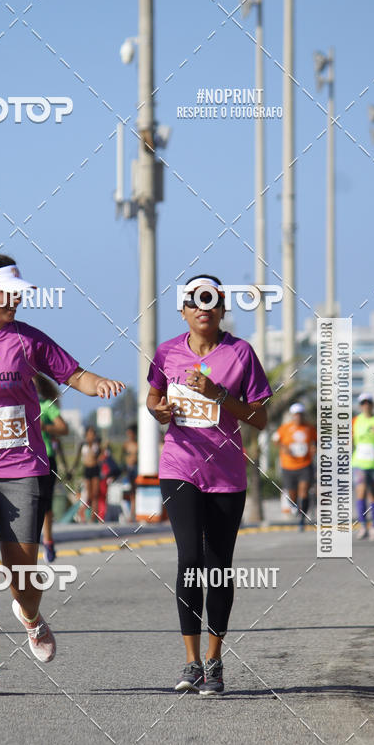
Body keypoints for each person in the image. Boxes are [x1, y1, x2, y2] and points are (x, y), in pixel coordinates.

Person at [0, 254, 124, 696]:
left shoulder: (27, 339)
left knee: (24, 579)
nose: (16, 300)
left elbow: (73, 374)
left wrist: (101, 384)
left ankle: (31, 617)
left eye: (20, 294)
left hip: (22, 469)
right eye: (8, 293)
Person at [146, 274, 272, 697]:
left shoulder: (240, 354)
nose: (203, 308)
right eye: (194, 301)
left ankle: (215, 661)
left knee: (218, 564)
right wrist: (159, 411)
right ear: (182, 310)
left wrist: (219, 394)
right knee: (189, 557)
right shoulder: (166, 352)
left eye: (212, 300)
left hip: (226, 475)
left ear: (221, 309)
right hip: (179, 466)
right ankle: (191, 661)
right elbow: (153, 397)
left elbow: (260, 417)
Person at [33, 374, 69, 563]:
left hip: (45, 457)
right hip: (21, 460)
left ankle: (47, 541)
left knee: (44, 503)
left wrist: (44, 427)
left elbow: (64, 428)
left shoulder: (46, 405)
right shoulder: (15, 406)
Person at [272, 402, 317, 531]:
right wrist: (283, 447)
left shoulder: (309, 428)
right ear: (293, 416)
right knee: (292, 493)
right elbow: (275, 440)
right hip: (288, 466)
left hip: (305, 464)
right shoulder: (285, 428)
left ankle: (302, 519)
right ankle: (296, 507)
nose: (298, 417)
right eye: (296, 415)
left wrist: (315, 448)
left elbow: (318, 441)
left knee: (304, 490)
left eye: (300, 414)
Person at [352, 393, 374, 540]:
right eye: (363, 403)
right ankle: (363, 525)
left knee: (373, 495)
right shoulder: (356, 421)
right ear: (360, 406)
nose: (366, 406)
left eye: (368, 403)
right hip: (359, 463)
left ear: (372, 405)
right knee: (361, 492)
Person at [73, 426, 102, 521]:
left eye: (93, 434)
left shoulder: (96, 444)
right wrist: (73, 469)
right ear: (86, 435)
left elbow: (99, 456)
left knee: (95, 494)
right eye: (89, 434)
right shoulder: (82, 444)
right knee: (89, 494)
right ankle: (82, 512)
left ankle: (94, 517)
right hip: (87, 469)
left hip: (95, 469)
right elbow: (77, 458)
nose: (91, 436)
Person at [122, 424, 138, 521]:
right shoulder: (126, 444)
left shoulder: (137, 444)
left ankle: (132, 514)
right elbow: (122, 457)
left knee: (134, 492)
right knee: (128, 492)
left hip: (135, 468)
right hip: (128, 468)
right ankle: (129, 513)